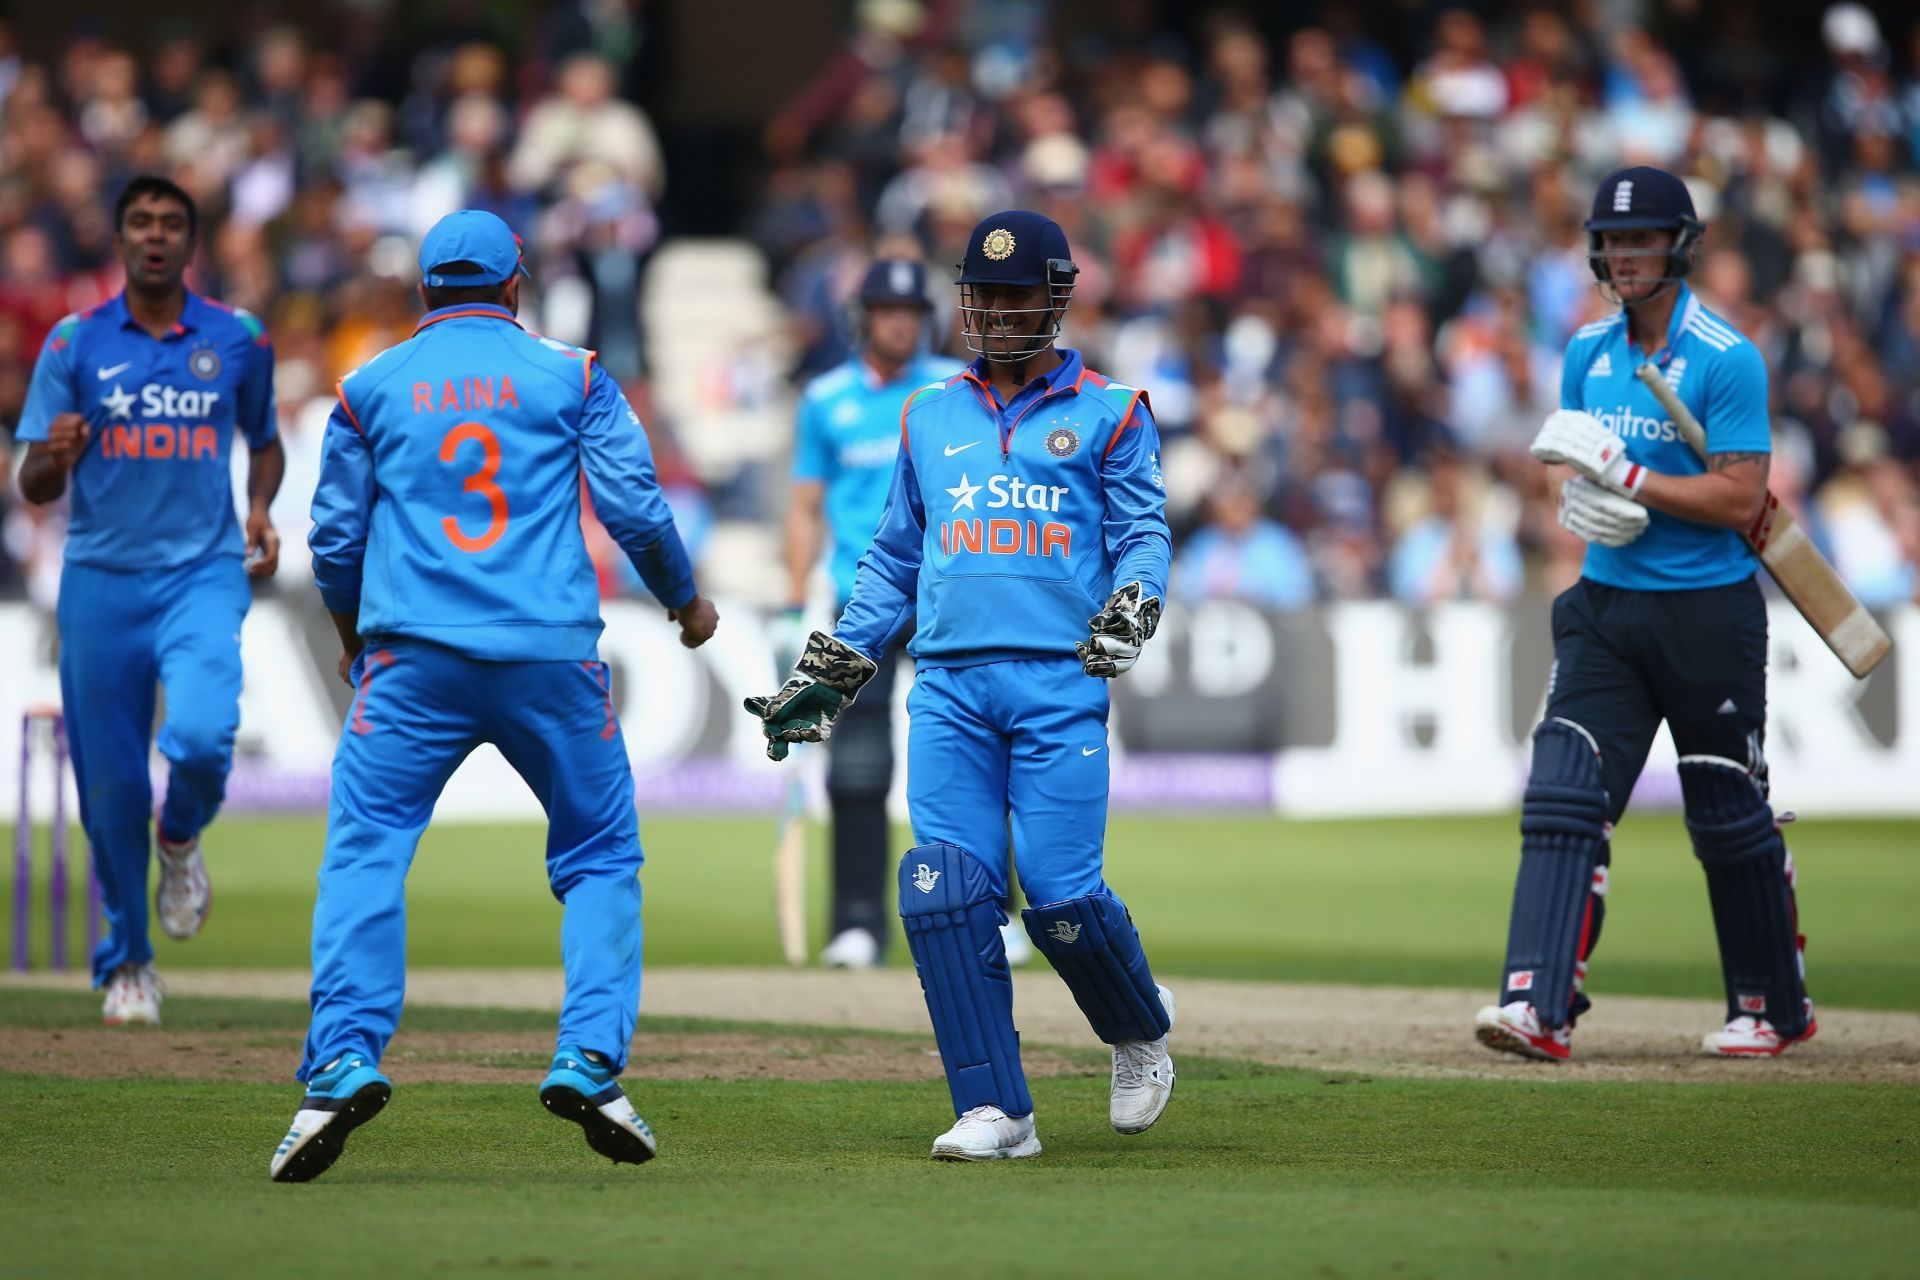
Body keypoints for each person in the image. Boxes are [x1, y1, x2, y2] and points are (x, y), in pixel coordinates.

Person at [269, 210, 718, 1182]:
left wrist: (356, 640)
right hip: (549, 655)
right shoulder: (574, 372)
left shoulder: (369, 385)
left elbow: (335, 540)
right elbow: (636, 504)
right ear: (517, 286)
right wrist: (684, 600)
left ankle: (340, 1061)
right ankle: (591, 1060)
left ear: (425, 291)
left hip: (413, 661)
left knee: (367, 850)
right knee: (600, 854)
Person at [746, 211, 1177, 1160]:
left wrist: (1135, 604)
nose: (997, 312)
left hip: (1059, 683)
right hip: (947, 688)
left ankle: (1140, 1027)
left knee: (1061, 903)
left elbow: (1146, 533)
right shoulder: (928, 414)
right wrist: (829, 675)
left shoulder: (1112, 410)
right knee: (945, 890)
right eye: (983, 296)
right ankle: (998, 1110)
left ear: (1055, 298)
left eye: (1017, 294)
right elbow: (892, 561)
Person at [1477, 166, 1816, 1062]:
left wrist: (1634, 481)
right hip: (1604, 606)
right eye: (1614, 240)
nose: (1625, 255)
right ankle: (1536, 1005)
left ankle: (1772, 1005)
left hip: (1708, 614)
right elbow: (1569, 458)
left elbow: (1745, 499)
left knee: (1726, 816)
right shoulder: (1588, 353)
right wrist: (1575, 497)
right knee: (1561, 792)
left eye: (1643, 239)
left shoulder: (1726, 356)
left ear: (1681, 245)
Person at [15, 175, 283, 1026]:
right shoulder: (73, 342)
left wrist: (260, 506)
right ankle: (128, 959)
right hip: (98, 582)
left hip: (202, 573)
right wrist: (56, 457)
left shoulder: (238, 337)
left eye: (171, 223)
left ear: (190, 243)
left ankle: (183, 833)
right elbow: (32, 481)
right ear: (121, 240)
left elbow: (266, 441)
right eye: (141, 221)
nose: (156, 235)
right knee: (110, 792)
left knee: (203, 737)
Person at [783, 256, 979, 969]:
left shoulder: (952, 392)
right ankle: (858, 922)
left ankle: (998, 911)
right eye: (887, 311)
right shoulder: (825, 399)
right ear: (862, 317)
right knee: (858, 768)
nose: (901, 322)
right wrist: (790, 600)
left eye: (911, 311)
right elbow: (805, 507)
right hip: (857, 598)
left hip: (947, 593)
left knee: (973, 748)